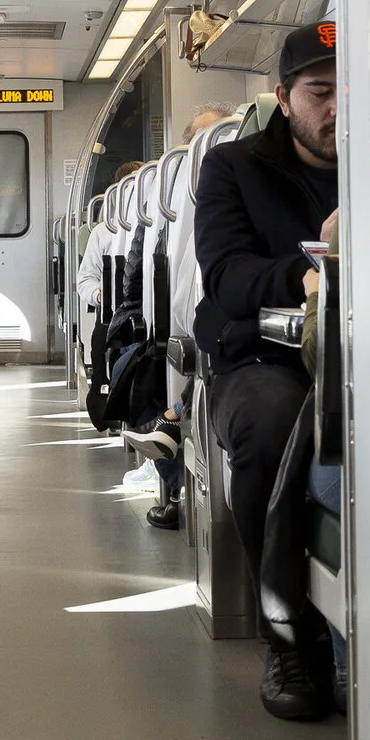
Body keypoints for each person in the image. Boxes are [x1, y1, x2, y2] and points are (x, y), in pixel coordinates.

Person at [190, 22, 338, 721]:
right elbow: (226, 276)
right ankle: (288, 631)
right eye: (320, 91)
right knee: (272, 426)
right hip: (261, 356)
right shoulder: (233, 168)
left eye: (351, 91)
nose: (336, 107)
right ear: (283, 97)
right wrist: (314, 267)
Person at [124, 104, 239, 529]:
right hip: (161, 320)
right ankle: (171, 447)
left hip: (194, 323)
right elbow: (141, 279)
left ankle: (170, 428)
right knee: (145, 363)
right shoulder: (171, 197)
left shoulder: (236, 193)